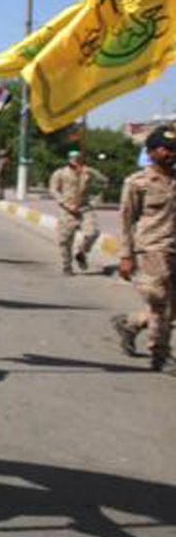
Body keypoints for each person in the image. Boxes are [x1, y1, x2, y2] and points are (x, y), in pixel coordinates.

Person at [112, 128, 176, 371]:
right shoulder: (137, 183)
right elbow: (126, 221)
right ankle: (160, 355)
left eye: (174, 150)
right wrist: (125, 255)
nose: (171, 154)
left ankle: (131, 323)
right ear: (150, 152)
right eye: (165, 149)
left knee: (171, 309)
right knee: (160, 303)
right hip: (152, 250)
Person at [49, 150, 108, 274]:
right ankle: (67, 265)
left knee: (92, 232)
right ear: (69, 159)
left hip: (84, 208)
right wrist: (64, 203)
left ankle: (81, 251)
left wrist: (92, 174)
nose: (75, 160)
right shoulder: (60, 173)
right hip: (67, 210)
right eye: (73, 158)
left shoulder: (87, 172)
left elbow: (104, 181)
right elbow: (53, 190)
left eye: (77, 158)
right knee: (65, 240)